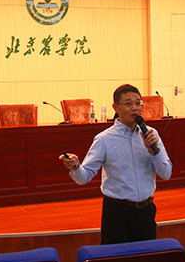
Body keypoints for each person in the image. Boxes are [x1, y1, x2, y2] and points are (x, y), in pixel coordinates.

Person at [59, 84, 172, 244]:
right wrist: (76, 166)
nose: (135, 108)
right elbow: (83, 178)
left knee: (145, 257)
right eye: (128, 103)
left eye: (138, 103)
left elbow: (166, 174)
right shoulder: (104, 139)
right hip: (117, 214)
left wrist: (155, 152)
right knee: (116, 257)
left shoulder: (151, 135)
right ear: (115, 107)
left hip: (146, 212)